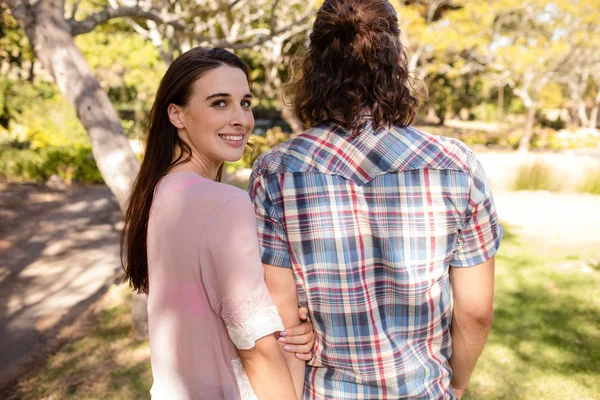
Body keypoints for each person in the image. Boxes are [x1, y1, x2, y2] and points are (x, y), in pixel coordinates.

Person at [247, 1, 502, 399]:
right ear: (397, 60)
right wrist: (457, 383)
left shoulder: (275, 173)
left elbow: (282, 322)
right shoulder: (458, 167)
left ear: (314, 66)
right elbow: (475, 312)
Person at [120, 47, 313, 400]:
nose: (241, 118)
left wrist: (289, 325)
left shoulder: (160, 192)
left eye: (245, 103)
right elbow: (255, 349)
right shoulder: (224, 204)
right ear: (176, 114)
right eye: (219, 103)